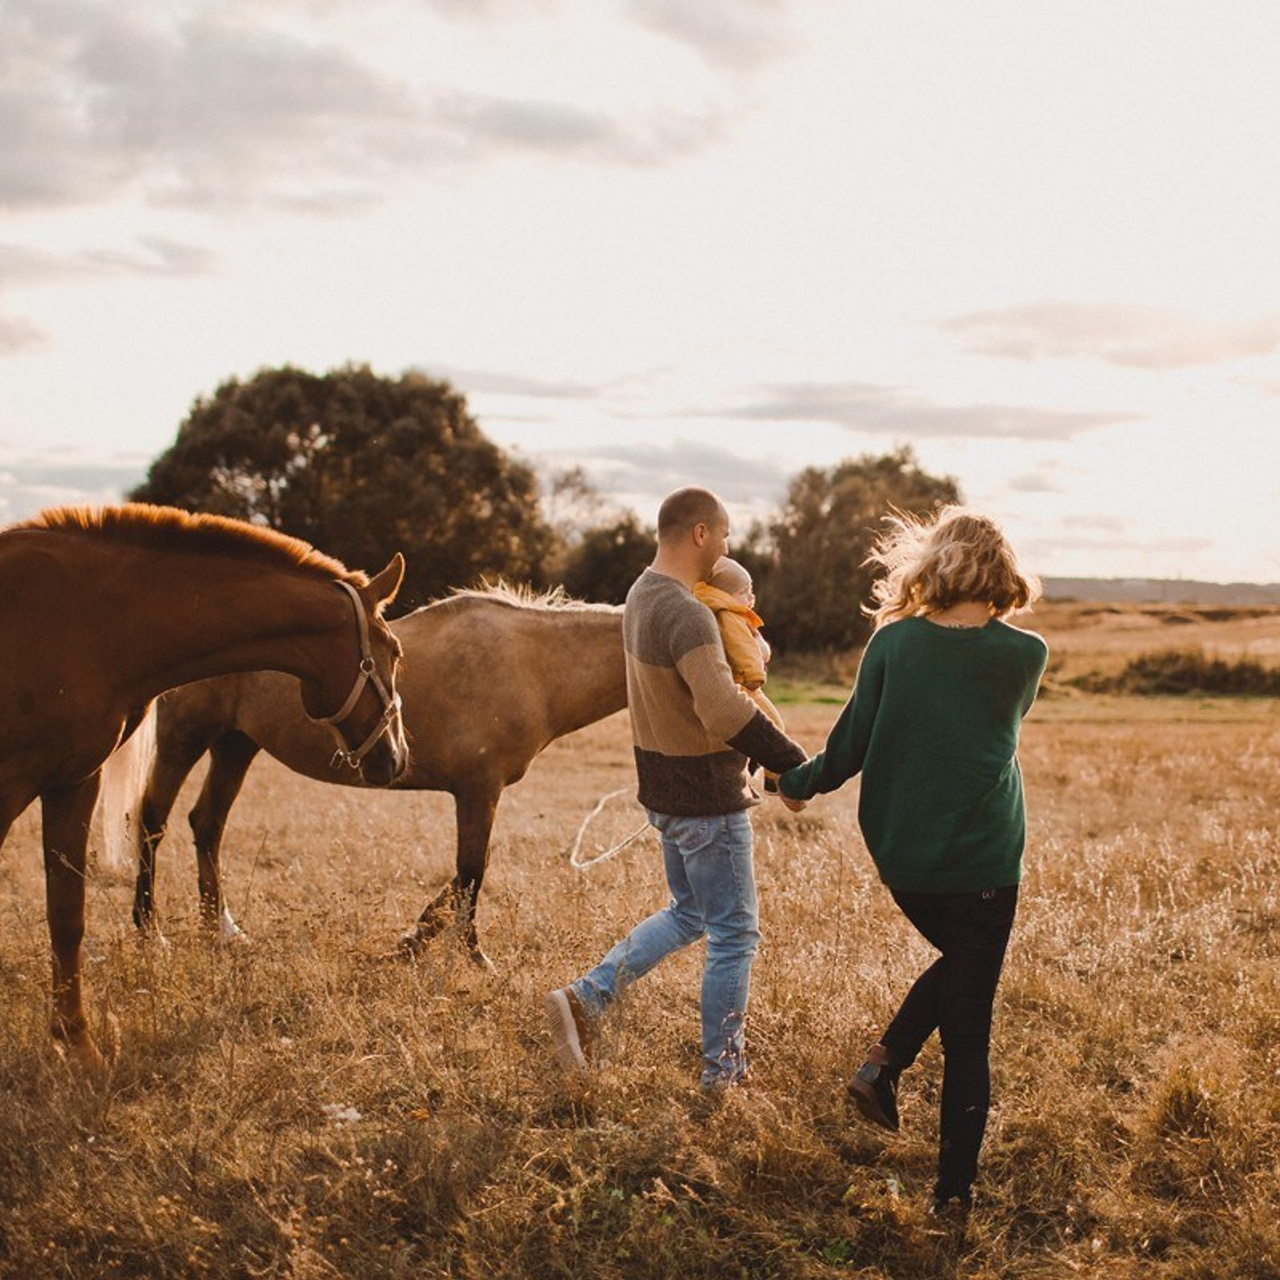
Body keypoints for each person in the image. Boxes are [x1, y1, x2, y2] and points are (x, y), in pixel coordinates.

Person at [777, 506, 1047, 1216]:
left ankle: (884, 1064)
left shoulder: (892, 646)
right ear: (1001, 573)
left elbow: (849, 745)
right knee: (970, 1025)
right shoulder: (1027, 655)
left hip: (906, 861)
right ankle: (952, 1194)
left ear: (934, 565)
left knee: (963, 967)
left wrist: (795, 786)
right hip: (986, 860)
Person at [545, 487, 808, 1091]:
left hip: (665, 791)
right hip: (705, 797)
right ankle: (724, 1075)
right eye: (724, 536)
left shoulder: (641, 594)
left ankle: (586, 997)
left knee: (690, 912)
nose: (725, 547)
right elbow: (720, 708)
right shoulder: (687, 613)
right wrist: (790, 766)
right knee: (735, 933)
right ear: (699, 534)